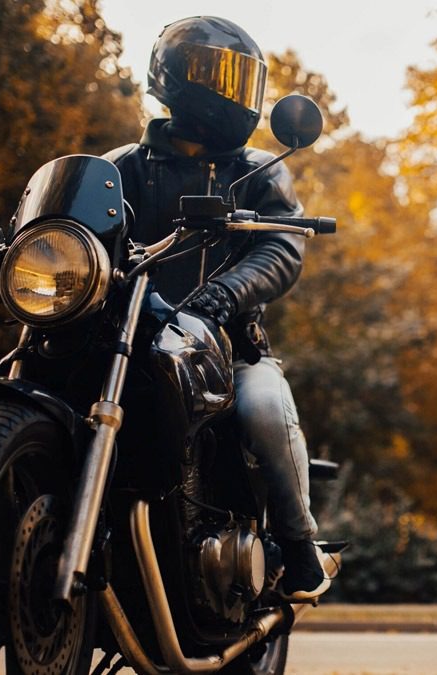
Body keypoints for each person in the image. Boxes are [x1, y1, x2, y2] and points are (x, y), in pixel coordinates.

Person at [103, 15, 329, 601]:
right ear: (174, 77)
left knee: (260, 409)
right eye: (213, 73)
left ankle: (301, 549)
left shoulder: (256, 171)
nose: (228, 90)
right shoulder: (119, 167)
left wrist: (224, 293)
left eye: (238, 79)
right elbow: (73, 225)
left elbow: (282, 245)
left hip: (226, 350)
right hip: (125, 346)